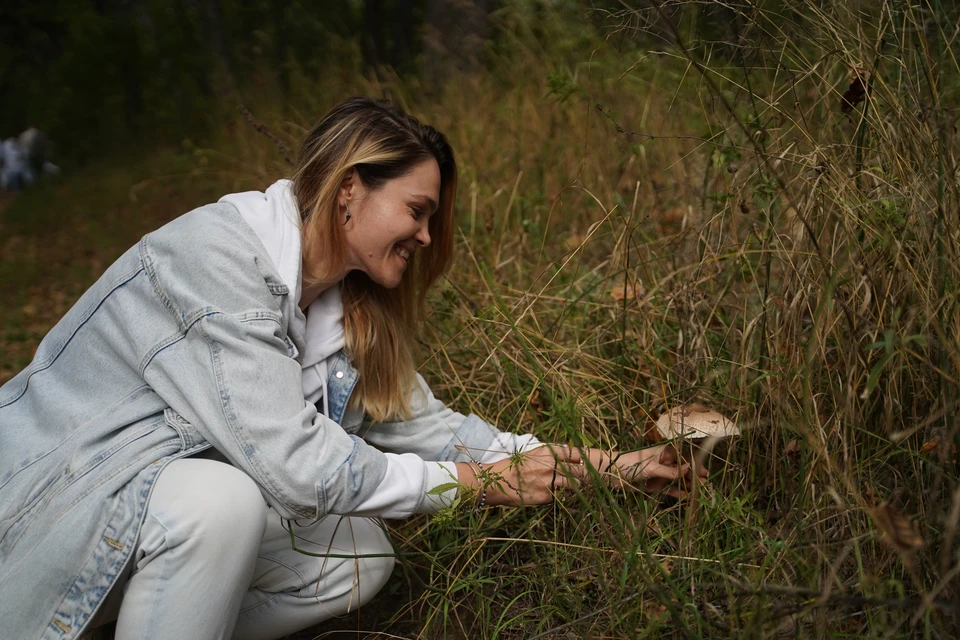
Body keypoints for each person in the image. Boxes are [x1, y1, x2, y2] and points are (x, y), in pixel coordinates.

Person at [0, 97, 698, 640]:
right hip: (47, 513)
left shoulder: (344, 311)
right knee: (223, 501)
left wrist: (617, 468)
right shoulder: (213, 260)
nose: (426, 237)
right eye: (416, 211)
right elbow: (299, 464)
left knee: (358, 555)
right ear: (349, 192)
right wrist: (471, 487)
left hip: (142, 528)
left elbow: (446, 436)